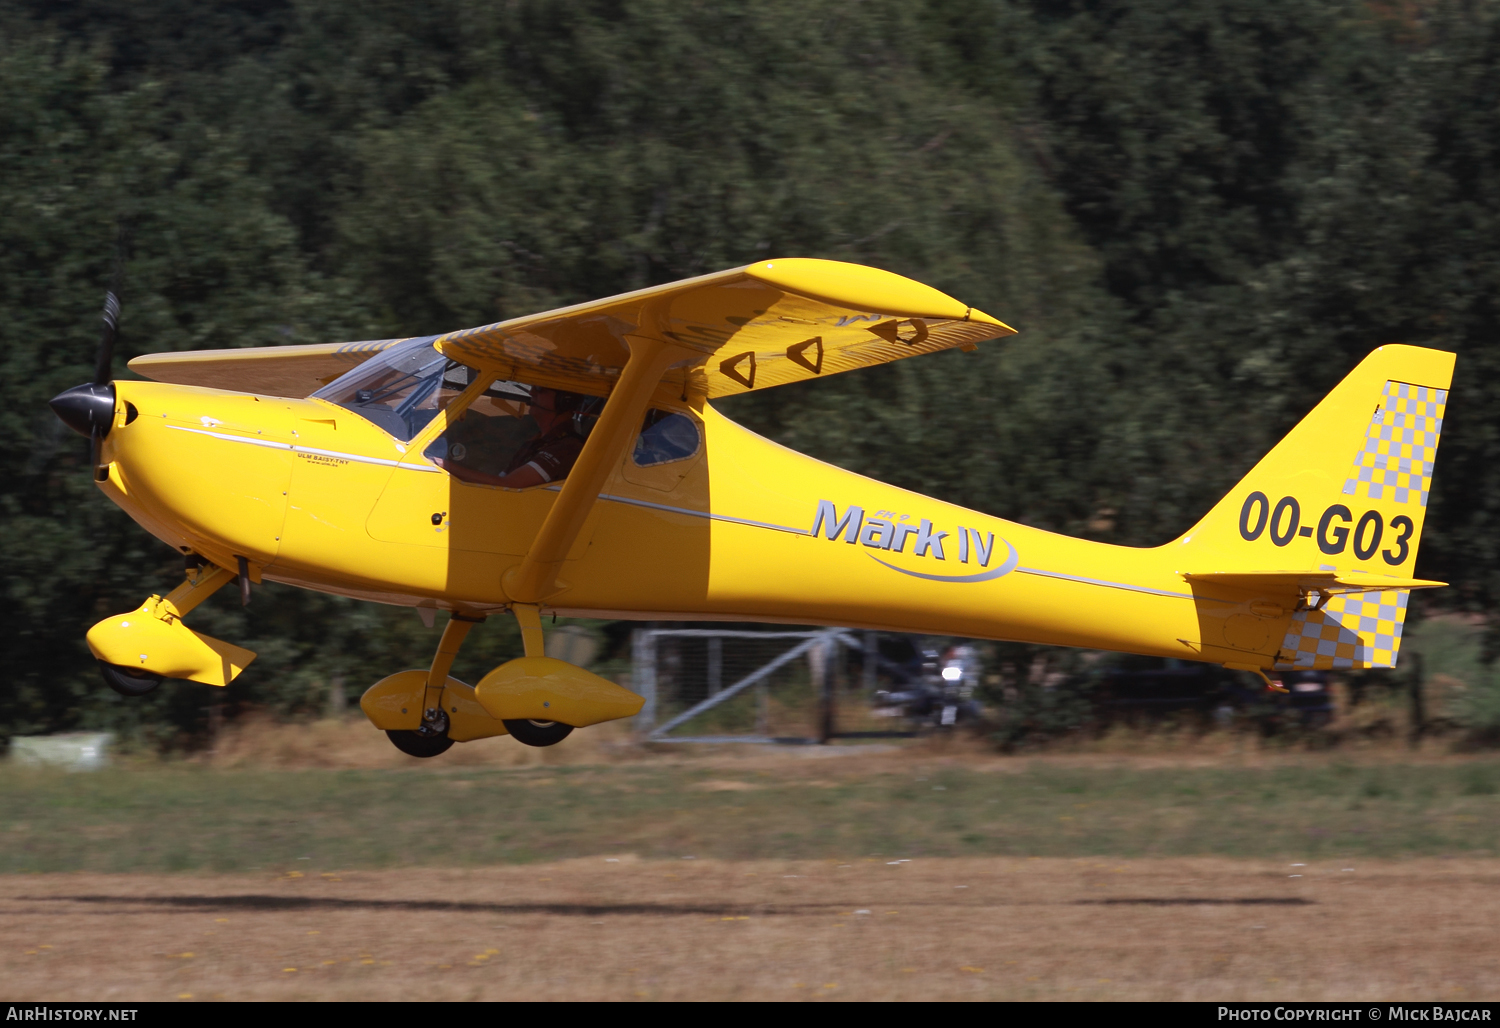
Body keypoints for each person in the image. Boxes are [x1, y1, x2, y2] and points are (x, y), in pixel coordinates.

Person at [436, 386, 592, 488]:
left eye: (540, 389)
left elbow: (509, 485)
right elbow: (501, 480)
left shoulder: (567, 448)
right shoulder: (536, 442)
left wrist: (442, 465)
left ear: (564, 401)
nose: (531, 393)